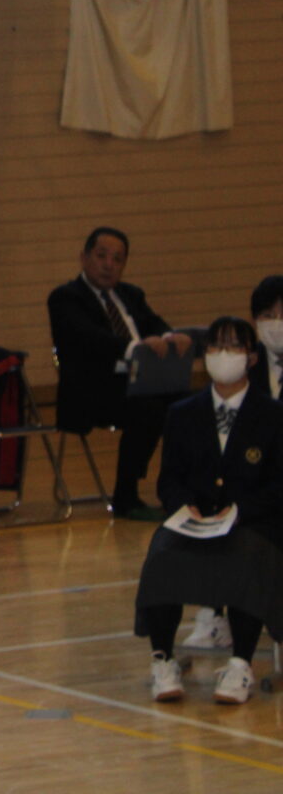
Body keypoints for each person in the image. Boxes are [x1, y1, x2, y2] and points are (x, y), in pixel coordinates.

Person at [135, 316, 283, 705]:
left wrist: (237, 511)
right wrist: (187, 508)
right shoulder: (182, 413)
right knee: (163, 553)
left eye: (234, 346)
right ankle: (162, 659)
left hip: (250, 521)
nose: (223, 354)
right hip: (196, 520)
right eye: (216, 346)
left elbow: (278, 485)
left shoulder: (273, 416)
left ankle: (240, 664)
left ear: (251, 357)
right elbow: (169, 480)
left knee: (249, 556)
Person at [47, 228, 194, 520]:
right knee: (148, 410)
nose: (108, 265)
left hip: (140, 383)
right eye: (101, 256)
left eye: (117, 259)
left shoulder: (130, 294)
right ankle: (126, 496)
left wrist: (170, 336)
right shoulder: (65, 298)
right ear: (84, 257)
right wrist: (134, 348)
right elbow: (89, 338)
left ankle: (184, 487)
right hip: (93, 391)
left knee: (189, 406)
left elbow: (154, 322)